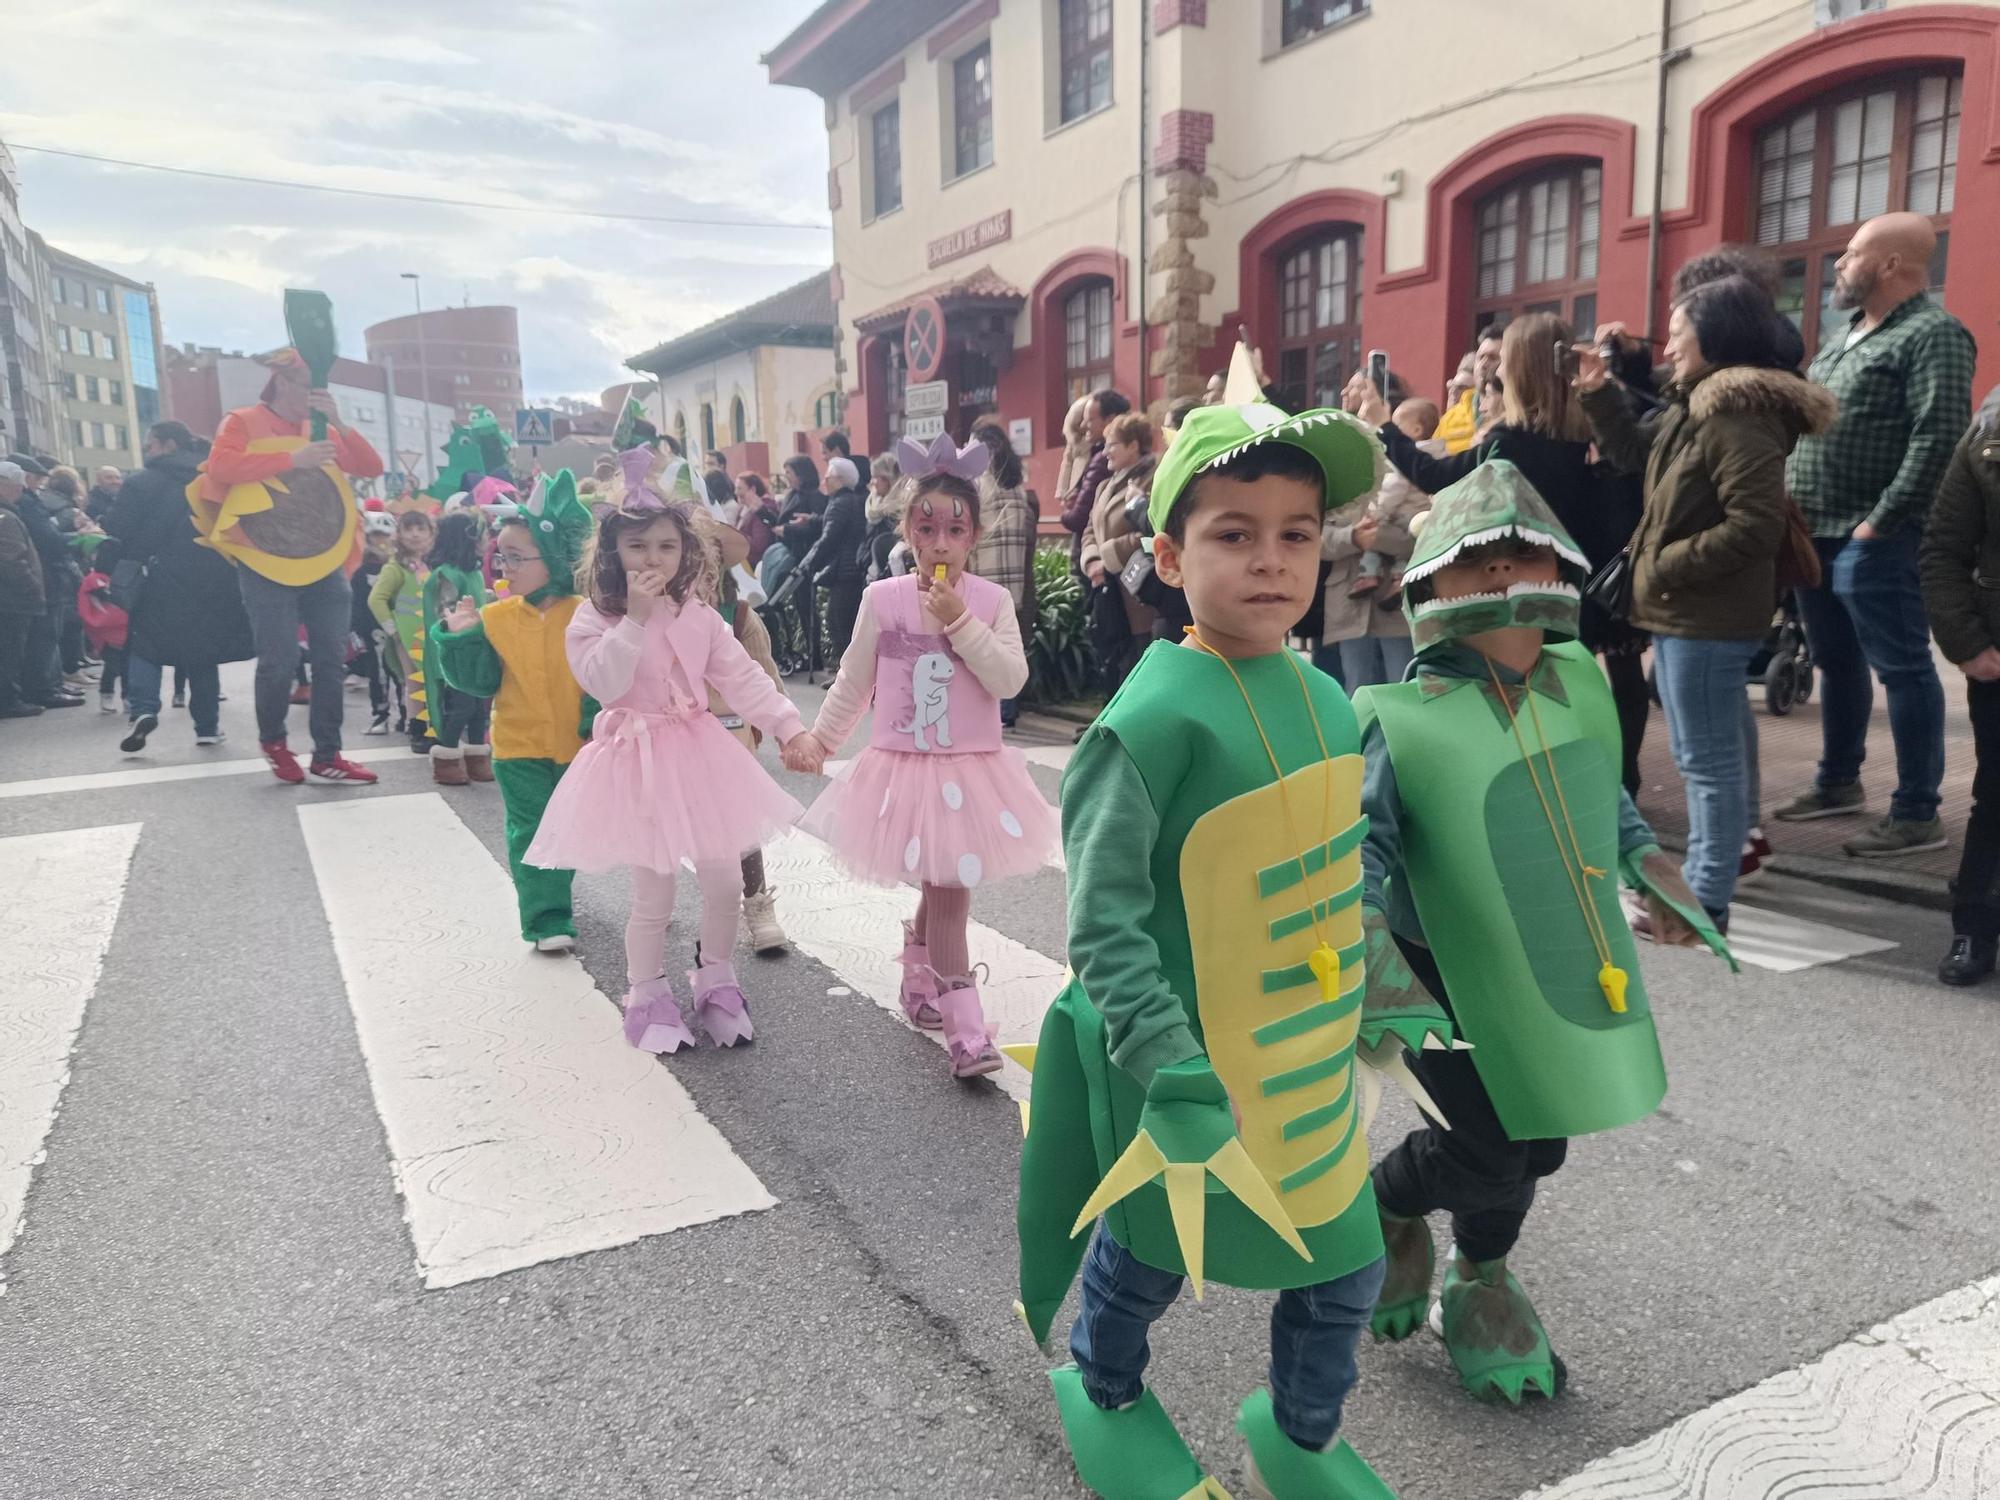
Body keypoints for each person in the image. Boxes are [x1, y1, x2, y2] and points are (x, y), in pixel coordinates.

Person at [1013, 398, 1408, 1499]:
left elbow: (1345, 865)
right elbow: (1102, 923)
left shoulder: (1327, 695)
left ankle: (1299, 1431)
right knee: (1146, 1258)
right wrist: (1165, 1058)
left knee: (1343, 1270)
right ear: (1165, 554)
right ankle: (1101, 1390)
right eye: (1232, 533)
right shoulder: (1146, 722)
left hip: (1307, 1068)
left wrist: (1382, 985)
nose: (1272, 560)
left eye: (1295, 533)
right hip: (1182, 1072)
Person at [1355, 459, 1727, 1408]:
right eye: (1479, 564)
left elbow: (1608, 807)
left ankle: (1479, 1271)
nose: (1503, 584)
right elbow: (1359, 855)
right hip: (1442, 967)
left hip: (1559, 954)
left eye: (1525, 562)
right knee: (1484, 1146)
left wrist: (1659, 879)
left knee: (1541, 1140)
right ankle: (1390, 1202)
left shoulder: (1574, 690)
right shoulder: (1398, 717)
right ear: (1431, 584)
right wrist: (1372, 967)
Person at [523, 459, 815, 1053]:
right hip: (636, 759)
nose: (652, 558)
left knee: (724, 879)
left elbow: (744, 678)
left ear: (687, 552)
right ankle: (646, 992)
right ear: (613, 552)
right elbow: (604, 682)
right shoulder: (593, 619)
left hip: (699, 753)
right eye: (637, 546)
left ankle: (717, 979)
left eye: (665, 545)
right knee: (653, 891)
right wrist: (632, 619)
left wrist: (788, 728)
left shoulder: (701, 617)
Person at [788, 434, 1057, 1078]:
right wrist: (823, 740)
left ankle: (917, 971)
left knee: (946, 884)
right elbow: (856, 679)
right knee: (950, 895)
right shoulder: (883, 599)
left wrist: (961, 620)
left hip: (972, 767)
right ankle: (966, 1033)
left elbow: (1009, 681)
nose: (940, 541)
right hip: (905, 765)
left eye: (954, 529)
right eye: (927, 525)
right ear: (907, 527)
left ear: (975, 535)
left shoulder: (990, 602)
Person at [1578, 275, 1835, 929]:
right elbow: (1637, 452)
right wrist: (1599, 394)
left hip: (1704, 613)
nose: (1667, 343)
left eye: (1678, 330)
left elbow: (1754, 525)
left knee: (1705, 762)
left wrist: (1664, 565)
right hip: (1685, 610)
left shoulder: (1736, 414)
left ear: (1715, 337)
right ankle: (1718, 872)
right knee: (1708, 751)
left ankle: (1704, 900)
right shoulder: (1698, 403)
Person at [1355, 314, 1652, 792]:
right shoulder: (1603, 426)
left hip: (1544, 582)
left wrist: (1386, 429)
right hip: (1610, 580)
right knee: (1624, 680)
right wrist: (1628, 367)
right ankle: (1624, 784)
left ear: (1517, 371)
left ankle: (1555, 782)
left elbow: (1435, 476)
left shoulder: (1512, 442)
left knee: (1545, 687)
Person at [1777, 210, 1978, 858]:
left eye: (1853, 253)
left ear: (1892, 264)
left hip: (1877, 536)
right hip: (1819, 532)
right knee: (1836, 662)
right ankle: (1838, 782)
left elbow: (1939, 437)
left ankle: (1916, 811)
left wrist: (1879, 522)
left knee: (1903, 669)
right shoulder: (1845, 336)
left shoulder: (1935, 334)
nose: (1839, 264)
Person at [195, 347, 384, 784]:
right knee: (278, 657)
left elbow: (371, 466)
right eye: (307, 386)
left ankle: (328, 752)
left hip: (322, 556)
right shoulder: (242, 421)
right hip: (264, 555)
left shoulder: (320, 428)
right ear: (281, 381)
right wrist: (291, 459)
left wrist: (338, 422)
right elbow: (220, 467)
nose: (315, 395)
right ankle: (275, 742)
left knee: (331, 658)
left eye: (322, 388)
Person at [431, 472, 595, 953]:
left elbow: (605, 677)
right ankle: (546, 918)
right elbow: (477, 681)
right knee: (531, 829)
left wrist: (598, 724)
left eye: (517, 557)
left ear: (556, 559)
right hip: (518, 748)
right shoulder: (496, 617)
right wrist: (461, 636)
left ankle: (650, 895)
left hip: (581, 747)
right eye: (501, 556)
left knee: (585, 827)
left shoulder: (588, 613)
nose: (504, 566)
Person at [102, 421, 255, 754]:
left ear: (168, 444)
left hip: (157, 575)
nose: (147, 451)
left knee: (146, 644)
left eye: (151, 444)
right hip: (214, 573)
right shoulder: (214, 478)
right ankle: (208, 727)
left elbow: (118, 529)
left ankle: (143, 710)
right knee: (202, 649)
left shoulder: (140, 483)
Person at [1918, 386, 2000, 985]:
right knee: (1997, 797)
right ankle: (1975, 928)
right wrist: (1966, 643)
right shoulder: (1989, 433)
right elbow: (1944, 546)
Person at [688, 513, 793, 957]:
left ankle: (757, 903)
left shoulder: (738, 617)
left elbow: (763, 677)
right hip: (679, 744)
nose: (700, 581)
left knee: (743, 825)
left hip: (732, 739)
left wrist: (782, 729)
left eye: (708, 569)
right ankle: (702, 910)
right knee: (688, 827)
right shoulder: (652, 623)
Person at [1315, 397, 1428, 691]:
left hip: (1395, 603)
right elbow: (1317, 539)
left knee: (1402, 686)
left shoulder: (1403, 474)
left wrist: (1379, 538)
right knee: (1356, 689)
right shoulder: (1333, 483)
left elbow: (1422, 535)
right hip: (1347, 602)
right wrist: (1352, 537)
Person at [1078, 411, 1158, 696]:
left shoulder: (1153, 479)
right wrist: (1093, 560)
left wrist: (1109, 553)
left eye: (1112, 444)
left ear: (1133, 445)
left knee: (1139, 660)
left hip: (1139, 590)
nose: (1106, 450)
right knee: (1112, 657)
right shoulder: (1105, 485)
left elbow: (1153, 530)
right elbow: (1089, 528)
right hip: (1106, 586)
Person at [969, 419, 1035, 727]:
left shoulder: (978, 486)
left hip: (984, 578)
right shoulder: (1018, 484)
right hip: (1016, 582)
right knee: (1010, 646)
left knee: (983, 647)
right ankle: (1009, 708)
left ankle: (993, 709)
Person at [420, 510, 493, 785]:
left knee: (478, 709)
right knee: (460, 707)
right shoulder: (445, 575)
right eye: (483, 532)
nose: (487, 538)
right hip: (454, 652)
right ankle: (446, 758)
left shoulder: (471, 571)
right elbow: (448, 617)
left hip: (475, 650)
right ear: (468, 537)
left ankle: (476, 758)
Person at [6, 452, 81, 709]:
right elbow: (22, 553)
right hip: (30, 585)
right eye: (35, 479)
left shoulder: (20, 506)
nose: (38, 485)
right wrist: (32, 586)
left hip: (37, 580)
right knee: (38, 639)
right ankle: (38, 689)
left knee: (43, 637)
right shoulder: (18, 509)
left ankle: (47, 684)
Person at [369, 510, 437, 753]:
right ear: (399, 534)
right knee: (415, 683)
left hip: (431, 633)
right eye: (408, 529)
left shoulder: (430, 564)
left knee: (431, 682)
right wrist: (394, 631)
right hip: (407, 636)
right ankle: (417, 729)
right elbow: (376, 599)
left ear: (431, 534)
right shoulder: (395, 567)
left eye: (421, 529)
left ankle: (432, 726)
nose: (415, 534)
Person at [1059, 389, 1132, 573]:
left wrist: (1067, 510)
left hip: (1100, 562)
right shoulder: (1108, 456)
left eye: (1090, 420)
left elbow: (1079, 518)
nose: (1084, 425)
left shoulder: (1102, 461)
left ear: (1110, 420)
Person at [0, 461, 47, 718]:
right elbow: (11, 560)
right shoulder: (5, 517)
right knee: (9, 650)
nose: (20, 491)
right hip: (11, 599)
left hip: (8, 597)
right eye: (16, 486)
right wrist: (32, 587)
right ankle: (8, 699)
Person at [816, 455, 870, 659]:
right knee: (845, 623)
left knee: (837, 622)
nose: (825, 481)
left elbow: (828, 538)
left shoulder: (839, 503)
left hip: (844, 570)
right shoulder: (852, 500)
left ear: (839, 479)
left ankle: (845, 672)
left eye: (828, 477)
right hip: (853, 568)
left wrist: (809, 565)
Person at [351, 511, 395, 735]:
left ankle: (409, 715)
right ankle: (380, 715)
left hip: (401, 626)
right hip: (373, 628)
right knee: (378, 672)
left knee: (403, 673)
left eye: (384, 536)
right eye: (376, 536)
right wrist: (356, 629)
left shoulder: (402, 567)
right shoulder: (361, 571)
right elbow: (357, 602)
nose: (381, 541)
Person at [1434, 330, 1505, 454]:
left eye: (1493, 358)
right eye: (1480, 357)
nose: (1483, 364)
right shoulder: (1451, 417)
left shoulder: (1516, 414)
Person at [862, 452, 903, 582]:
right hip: (870, 571)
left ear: (887, 479)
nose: (872, 482)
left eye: (875, 477)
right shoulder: (873, 503)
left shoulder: (898, 507)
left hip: (887, 574)